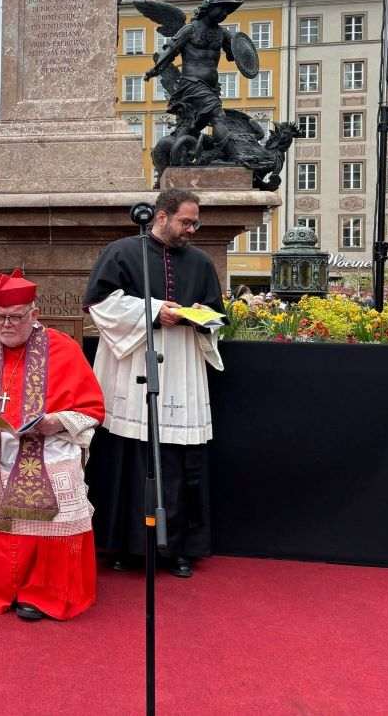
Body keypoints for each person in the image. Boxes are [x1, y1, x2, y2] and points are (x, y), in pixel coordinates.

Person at [0, 269, 105, 621]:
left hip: (48, 444)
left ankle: (43, 592)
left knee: (63, 488)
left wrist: (55, 422)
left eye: (15, 318)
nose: (6, 325)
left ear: (34, 315)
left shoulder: (63, 348)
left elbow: (91, 410)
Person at [83, 188, 225, 578]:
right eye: (186, 221)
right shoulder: (122, 252)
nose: (192, 229)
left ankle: (179, 549)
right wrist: (152, 311)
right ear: (161, 216)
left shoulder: (200, 262)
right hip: (132, 366)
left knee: (180, 462)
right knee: (129, 457)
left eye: (195, 222)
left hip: (181, 365)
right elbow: (99, 304)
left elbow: (216, 314)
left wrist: (200, 316)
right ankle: (121, 545)